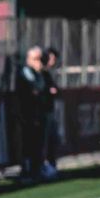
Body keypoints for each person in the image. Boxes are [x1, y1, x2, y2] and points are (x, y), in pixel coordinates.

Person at [15, 46, 48, 181]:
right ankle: (28, 171)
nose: (39, 62)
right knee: (28, 143)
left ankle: (37, 169)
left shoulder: (37, 72)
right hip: (27, 115)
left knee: (38, 143)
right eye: (36, 59)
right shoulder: (26, 71)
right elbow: (37, 87)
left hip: (37, 114)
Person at [41, 47, 62, 179]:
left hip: (49, 111)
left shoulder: (48, 74)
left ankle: (52, 166)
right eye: (52, 58)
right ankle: (45, 167)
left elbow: (56, 90)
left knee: (52, 139)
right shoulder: (41, 74)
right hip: (43, 112)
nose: (53, 61)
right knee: (44, 141)